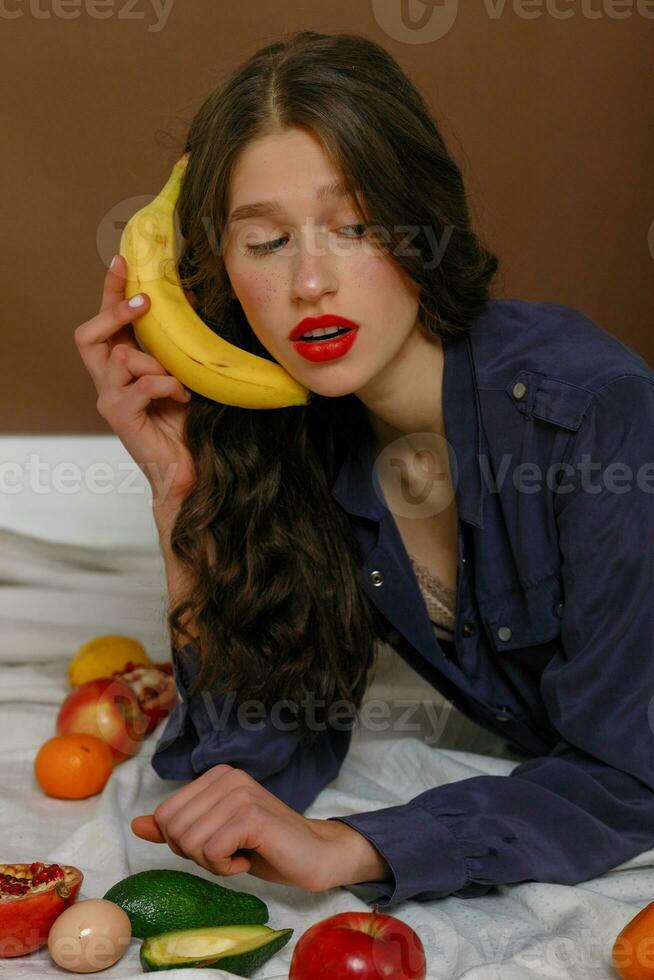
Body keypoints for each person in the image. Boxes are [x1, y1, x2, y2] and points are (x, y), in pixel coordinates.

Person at [74, 29, 654, 909]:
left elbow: (630, 774)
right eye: (265, 242)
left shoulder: (596, 415)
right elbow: (250, 768)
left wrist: (354, 847)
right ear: (220, 274)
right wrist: (178, 497)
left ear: (424, 227)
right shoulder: (296, 439)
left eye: (354, 226)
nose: (312, 283)